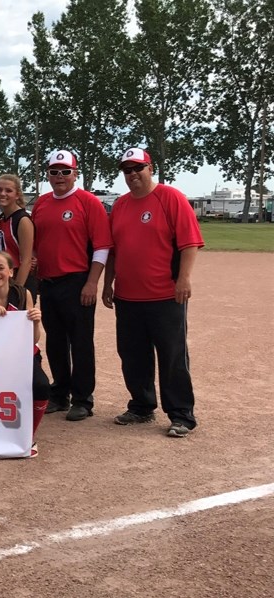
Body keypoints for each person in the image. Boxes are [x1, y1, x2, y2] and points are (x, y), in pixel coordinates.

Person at [102, 148, 204, 438]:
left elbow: (190, 243)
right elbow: (113, 251)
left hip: (165, 295)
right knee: (132, 355)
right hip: (128, 296)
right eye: (127, 170)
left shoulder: (170, 197)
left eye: (138, 168)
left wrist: (183, 279)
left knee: (172, 355)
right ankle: (142, 406)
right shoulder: (120, 205)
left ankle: (181, 413)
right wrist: (108, 282)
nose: (133, 174)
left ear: (150, 168)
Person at [31, 150, 113, 422]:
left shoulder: (88, 202)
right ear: (48, 174)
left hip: (77, 281)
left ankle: (82, 399)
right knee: (54, 342)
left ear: (75, 173)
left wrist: (92, 282)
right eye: (54, 172)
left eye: (65, 171)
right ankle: (60, 393)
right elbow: (35, 244)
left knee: (80, 343)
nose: (59, 177)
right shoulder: (42, 203)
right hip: (49, 283)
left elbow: (102, 246)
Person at [0, 251, 50, 457]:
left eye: (0, 268)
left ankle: (27, 436)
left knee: (41, 386)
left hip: (22, 354)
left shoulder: (23, 294)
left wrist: (36, 320)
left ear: (10, 271)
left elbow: (33, 338)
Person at [0, 173, 37, 301]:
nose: (2, 193)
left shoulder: (23, 220)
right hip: (4, 280)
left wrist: (16, 292)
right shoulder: (1, 219)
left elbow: (27, 261)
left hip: (20, 281)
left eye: (8, 190)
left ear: (17, 195)